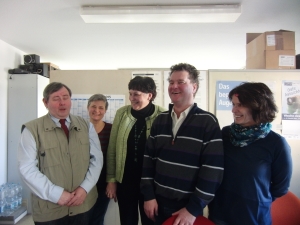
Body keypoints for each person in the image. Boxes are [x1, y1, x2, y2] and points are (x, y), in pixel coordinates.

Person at [141, 63, 224, 225]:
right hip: (155, 204)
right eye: (171, 82)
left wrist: (193, 208)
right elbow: (148, 160)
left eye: (180, 82)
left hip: (185, 210)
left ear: (194, 87)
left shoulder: (207, 122)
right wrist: (148, 196)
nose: (174, 86)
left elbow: (213, 170)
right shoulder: (160, 120)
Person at [18, 82, 103, 225]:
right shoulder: (32, 130)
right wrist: (56, 194)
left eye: (65, 97)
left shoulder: (86, 126)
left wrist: (84, 189)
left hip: (82, 205)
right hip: (49, 210)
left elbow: (97, 160)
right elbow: (26, 169)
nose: (62, 103)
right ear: (45, 102)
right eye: (56, 98)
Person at [208, 82, 293, 225]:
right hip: (220, 213)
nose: (234, 110)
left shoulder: (276, 144)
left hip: (253, 216)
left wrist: (254, 199)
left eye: (240, 105)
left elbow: (281, 188)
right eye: (233, 104)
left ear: (257, 106)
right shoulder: (225, 134)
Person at [106, 76, 165, 225]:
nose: (132, 98)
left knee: (150, 221)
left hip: (152, 185)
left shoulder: (162, 116)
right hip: (126, 182)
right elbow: (112, 149)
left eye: (136, 94)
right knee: (127, 221)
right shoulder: (122, 114)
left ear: (149, 95)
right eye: (130, 93)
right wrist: (111, 180)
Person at [88, 94, 112, 225]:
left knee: (98, 218)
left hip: (103, 183)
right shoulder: (81, 128)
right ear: (88, 108)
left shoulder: (111, 129)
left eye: (101, 108)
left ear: (105, 110)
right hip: (84, 183)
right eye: (93, 106)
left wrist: (111, 182)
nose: (97, 111)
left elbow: (113, 157)